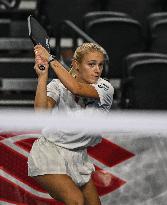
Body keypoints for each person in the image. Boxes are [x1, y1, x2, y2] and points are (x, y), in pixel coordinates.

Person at [28, 42, 114, 205]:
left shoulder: (105, 88)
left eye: (100, 65)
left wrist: (50, 58)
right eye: (91, 64)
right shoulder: (57, 86)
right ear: (76, 65)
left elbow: (75, 88)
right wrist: (42, 77)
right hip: (50, 152)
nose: (97, 70)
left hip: (79, 157)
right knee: (75, 201)